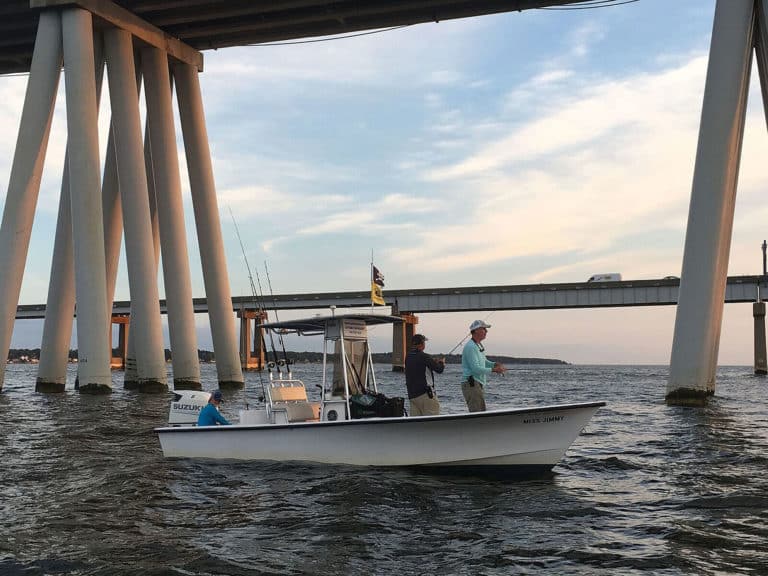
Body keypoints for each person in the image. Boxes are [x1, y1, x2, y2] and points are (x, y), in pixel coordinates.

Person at [461, 320, 507, 412]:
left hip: (476, 384)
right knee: (477, 414)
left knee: (481, 412)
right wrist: (494, 370)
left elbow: (484, 362)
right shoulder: (471, 347)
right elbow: (475, 368)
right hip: (472, 384)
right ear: (477, 330)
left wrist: (494, 364)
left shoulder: (477, 345)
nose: (486, 331)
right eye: (484, 329)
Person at [404, 333, 445, 416]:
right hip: (426, 395)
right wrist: (442, 363)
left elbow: (420, 365)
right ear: (421, 344)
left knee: (416, 425)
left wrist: (432, 361)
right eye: (424, 342)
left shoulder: (408, 357)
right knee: (432, 423)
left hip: (413, 396)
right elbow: (439, 369)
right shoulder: (424, 356)